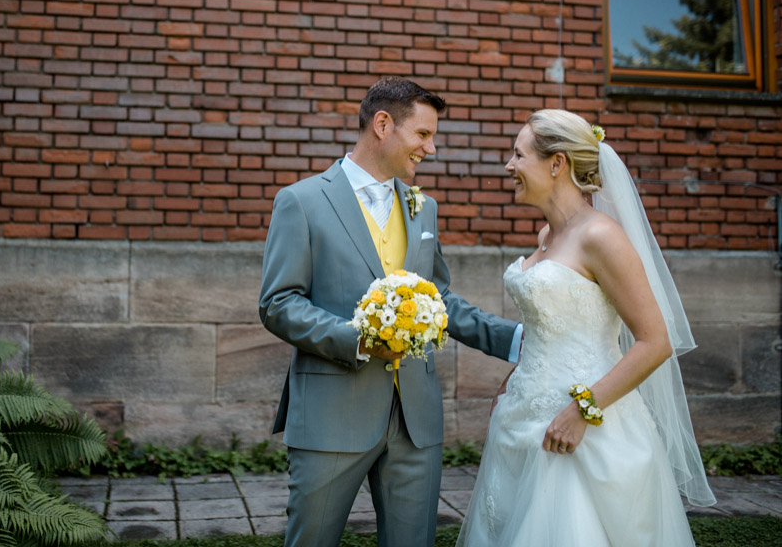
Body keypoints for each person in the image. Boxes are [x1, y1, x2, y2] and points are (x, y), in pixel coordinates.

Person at [259, 77, 523, 547]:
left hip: (415, 422)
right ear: (383, 124)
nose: (432, 148)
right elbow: (278, 303)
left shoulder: (424, 208)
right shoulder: (300, 201)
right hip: (331, 415)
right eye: (423, 134)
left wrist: (517, 339)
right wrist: (357, 339)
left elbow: (438, 301)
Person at [457, 110, 716, 546]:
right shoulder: (546, 234)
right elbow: (549, 326)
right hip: (524, 414)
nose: (509, 166)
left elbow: (655, 342)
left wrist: (581, 412)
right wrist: (511, 383)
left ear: (557, 164)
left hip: (585, 425)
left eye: (518, 155)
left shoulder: (601, 236)